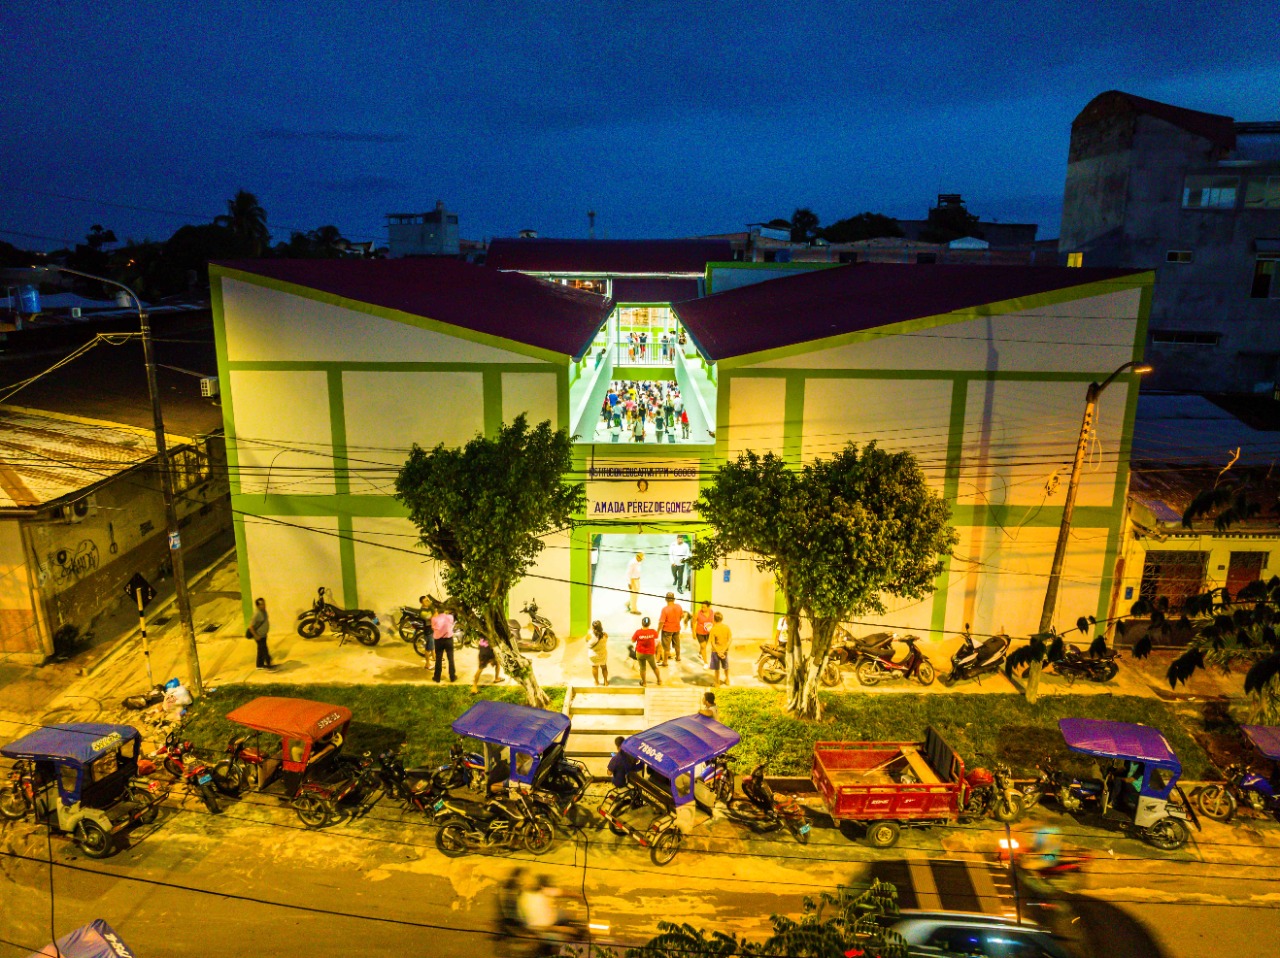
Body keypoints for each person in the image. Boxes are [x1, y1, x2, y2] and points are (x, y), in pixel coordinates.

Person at [632, 617, 661, 686]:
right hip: (650, 653)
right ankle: (659, 680)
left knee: (642, 668)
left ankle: (644, 683)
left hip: (640, 652)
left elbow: (633, 640)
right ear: (649, 623)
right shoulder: (653, 631)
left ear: (642, 623)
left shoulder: (638, 632)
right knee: (654, 667)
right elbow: (656, 637)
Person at [431, 606, 457, 683]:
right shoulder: (450, 617)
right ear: (444, 610)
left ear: (437, 611)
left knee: (438, 659)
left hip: (438, 640)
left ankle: (437, 677)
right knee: (450, 658)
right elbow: (451, 623)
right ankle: (452, 676)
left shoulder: (434, 619)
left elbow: (433, 627)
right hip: (448, 640)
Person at [248, 597, 274, 670]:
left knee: (260, 650)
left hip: (263, 635)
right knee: (265, 650)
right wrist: (256, 636)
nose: (264, 605)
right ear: (258, 606)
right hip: (259, 636)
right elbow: (251, 627)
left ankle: (259, 665)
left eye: (264, 603)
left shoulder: (264, 611)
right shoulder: (257, 614)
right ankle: (269, 665)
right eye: (262, 604)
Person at [658, 592, 683, 665]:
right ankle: (678, 657)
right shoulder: (678, 606)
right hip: (677, 628)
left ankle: (665, 661)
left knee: (666, 647)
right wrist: (677, 622)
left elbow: (661, 622)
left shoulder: (665, 609)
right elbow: (682, 616)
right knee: (677, 644)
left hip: (667, 630)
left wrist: (658, 630)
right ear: (674, 599)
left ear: (666, 599)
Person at [708, 612, 732, 687]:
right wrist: (723, 651)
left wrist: (718, 652)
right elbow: (730, 640)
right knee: (726, 666)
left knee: (717, 668)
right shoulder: (727, 627)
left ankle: (717, 683)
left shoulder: (713, 629)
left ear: (714, 619)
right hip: (725, 651)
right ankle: (727, 680)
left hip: (716, 652)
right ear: (722, 619)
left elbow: (712, 643)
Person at [587, 620, 610, 686]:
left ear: (593, 627)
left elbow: (587, 641)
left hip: (593, 655)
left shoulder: (589, 635)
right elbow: (605, 640)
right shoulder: (605, 635)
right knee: (604, 667)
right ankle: (605, 682)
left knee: (594, 667)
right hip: (602, 654)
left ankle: (596, 682)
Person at [694, 600, 714, 665]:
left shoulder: (711, 612)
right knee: (703, 646)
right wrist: (693, 633)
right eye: (702, 607)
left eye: (704, 607)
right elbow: (693, 622)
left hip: (707, 632)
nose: (702, 608)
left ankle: (700, 653)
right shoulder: (698, 613)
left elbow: (713, 621)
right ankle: (705, 663)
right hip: (699, 632)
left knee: (704, 646)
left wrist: (713, 630)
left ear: (708, 607)